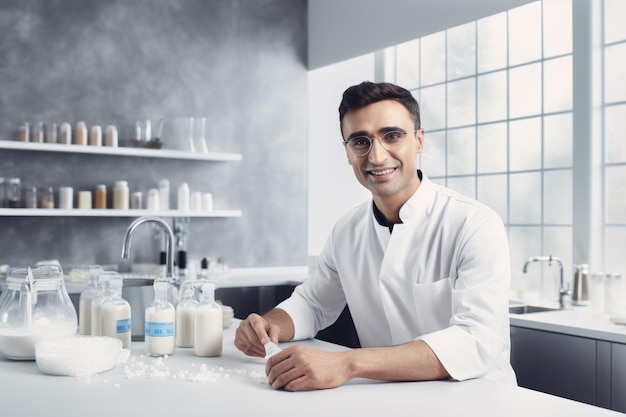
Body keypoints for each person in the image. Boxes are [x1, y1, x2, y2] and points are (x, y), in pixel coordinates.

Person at [235, 81, 517, 391]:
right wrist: (269, 326)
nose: (377, 156)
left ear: (419, 140)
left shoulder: (474, 223)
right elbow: (313, 304)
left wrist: (348, 363)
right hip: (388, 398)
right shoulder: (347, 231)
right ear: (347, 152)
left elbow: (475, 341)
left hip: (477, 400)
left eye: (392, 136)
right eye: (360, 141)